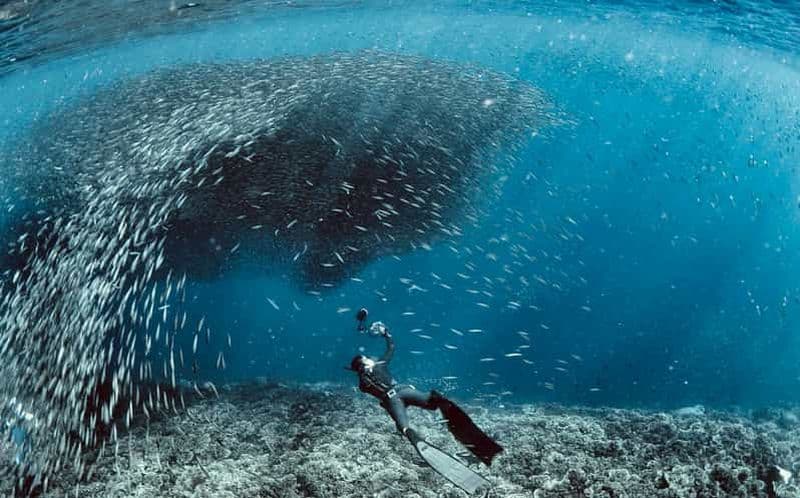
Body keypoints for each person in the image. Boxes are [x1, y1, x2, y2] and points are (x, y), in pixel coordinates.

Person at [347, 308, 503, 469]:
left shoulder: (362, 383)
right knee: (433, 402)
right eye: (367, 358)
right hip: (404, 390)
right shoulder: (379, 365)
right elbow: (391, 349)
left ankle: (412, 437)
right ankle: (450, 413)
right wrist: (387, 335)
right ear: (365, 363)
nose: (370, 358)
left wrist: (361, 371)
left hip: (392, 401)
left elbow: (370, 389)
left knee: (404, 427)